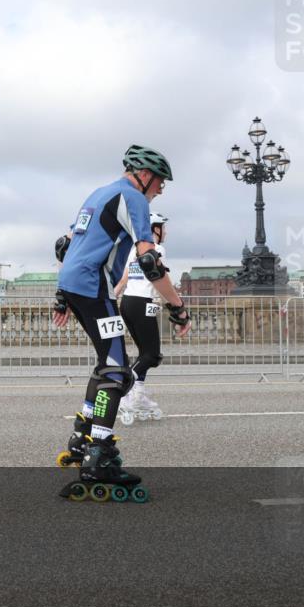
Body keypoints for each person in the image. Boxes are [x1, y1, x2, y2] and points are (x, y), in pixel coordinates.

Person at [52, 145, 192, 502]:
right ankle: (99, 455)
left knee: (107, 363)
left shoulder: (99, 193)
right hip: (94, 286)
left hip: (76, 284)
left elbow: (64, 245)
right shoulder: (133, 198)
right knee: (117, 371)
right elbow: (149, 263)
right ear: (144, 175)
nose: (161, 189)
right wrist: (177, 307)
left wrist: (62, 295)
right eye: (160, 181)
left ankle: (83, 434)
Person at [115, 212, 173, 423]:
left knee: (144, 353)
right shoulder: (158, 250)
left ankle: (138, 396)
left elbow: (123, 281)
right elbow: (161, 279)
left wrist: (111, 300)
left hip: (128, 303)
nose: (165, 232)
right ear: (155, 229)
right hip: (144, 303)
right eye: (163, 227)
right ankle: (127, 392)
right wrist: (176, 306)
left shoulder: (133, 250)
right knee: (152, 356)